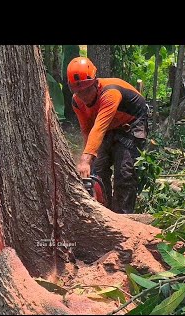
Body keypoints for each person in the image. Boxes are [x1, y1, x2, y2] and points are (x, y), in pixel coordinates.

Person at [67, 56, 148, 214]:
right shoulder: (77, 102)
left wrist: (85, 159)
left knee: (124, 172)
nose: (84, 96)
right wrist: (89, 160)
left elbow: (99, 127)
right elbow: (87, 130)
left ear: (95, 83)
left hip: (130, 124)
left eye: (87, 90)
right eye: (78, 91)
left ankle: (124, 215)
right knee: (99, 168)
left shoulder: (110, 93)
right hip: (106, 125)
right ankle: (104, 210)